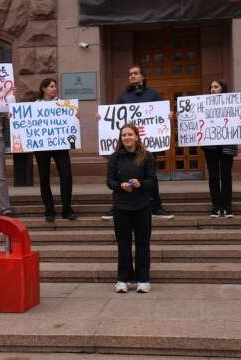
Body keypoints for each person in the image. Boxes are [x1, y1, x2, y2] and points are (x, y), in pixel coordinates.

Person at [102, 65, 173, 220]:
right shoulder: (123, 96)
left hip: (148, 144)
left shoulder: (153, 95)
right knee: (122, 174)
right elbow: (114, 117)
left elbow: (161, 114)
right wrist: (102, 118)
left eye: (135, 73)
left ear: (143, 77)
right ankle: (117, 206)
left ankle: (156, 205)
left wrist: (168, 116)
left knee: (150, 177)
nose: (132, 76)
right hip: (129, 145)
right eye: (130, 74)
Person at [107, 124, 155, 294]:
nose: (126, 137)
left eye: (130, 134)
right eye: (123, 135)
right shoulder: (114, 158)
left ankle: (143, 279)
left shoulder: (146, 156)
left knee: (143, 243)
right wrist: (120, 186)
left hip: (142, 206)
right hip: (121, 206)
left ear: (136, 137)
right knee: (123, 244)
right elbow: (110, 182)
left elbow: (152, 181)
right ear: (121, 138)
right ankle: (123, 279)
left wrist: (140, 183)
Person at [34, 78, 76, 222]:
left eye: (55, 86)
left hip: (60, 144)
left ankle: (67, 208)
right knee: (44, 177)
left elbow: (70, 121)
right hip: (42, 146)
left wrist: (74, 117)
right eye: (51, 86)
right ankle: (49, 209)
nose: (54, 88)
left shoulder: (63, 104)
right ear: (44, 88)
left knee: (67, 175)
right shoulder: (35, 105)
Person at [204, 80, 238, 218]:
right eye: (211, 87)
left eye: (216, 87)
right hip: (210, 146)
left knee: (225, 175)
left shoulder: (233, 104)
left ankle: (227, 206)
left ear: (222, 89)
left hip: (227, 146)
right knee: (213, 176)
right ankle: (216, 206)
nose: (212, 89)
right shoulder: (204, 104)